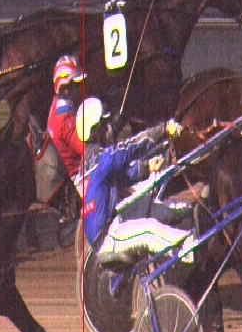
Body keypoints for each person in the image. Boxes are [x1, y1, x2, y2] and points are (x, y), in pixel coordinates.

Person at [79, 104, 191, 267]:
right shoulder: (103, 158)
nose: (108, 129)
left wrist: (147, 168)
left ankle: (190, 211)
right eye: (104, 124)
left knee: (149, 205)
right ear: (95, 130)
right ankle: (190, 248)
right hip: (108, 237)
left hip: (109, 225)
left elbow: (122, 179)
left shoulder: (88, 163)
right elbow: (131, 148)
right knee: (149, 230)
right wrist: (163, 130)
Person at [46, 54, 86, 180]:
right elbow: (87, 150)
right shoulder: (66, 119)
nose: (80, 88)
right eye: (76, 84)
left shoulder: (55, 106)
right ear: (64, 88)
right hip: (76, 177)